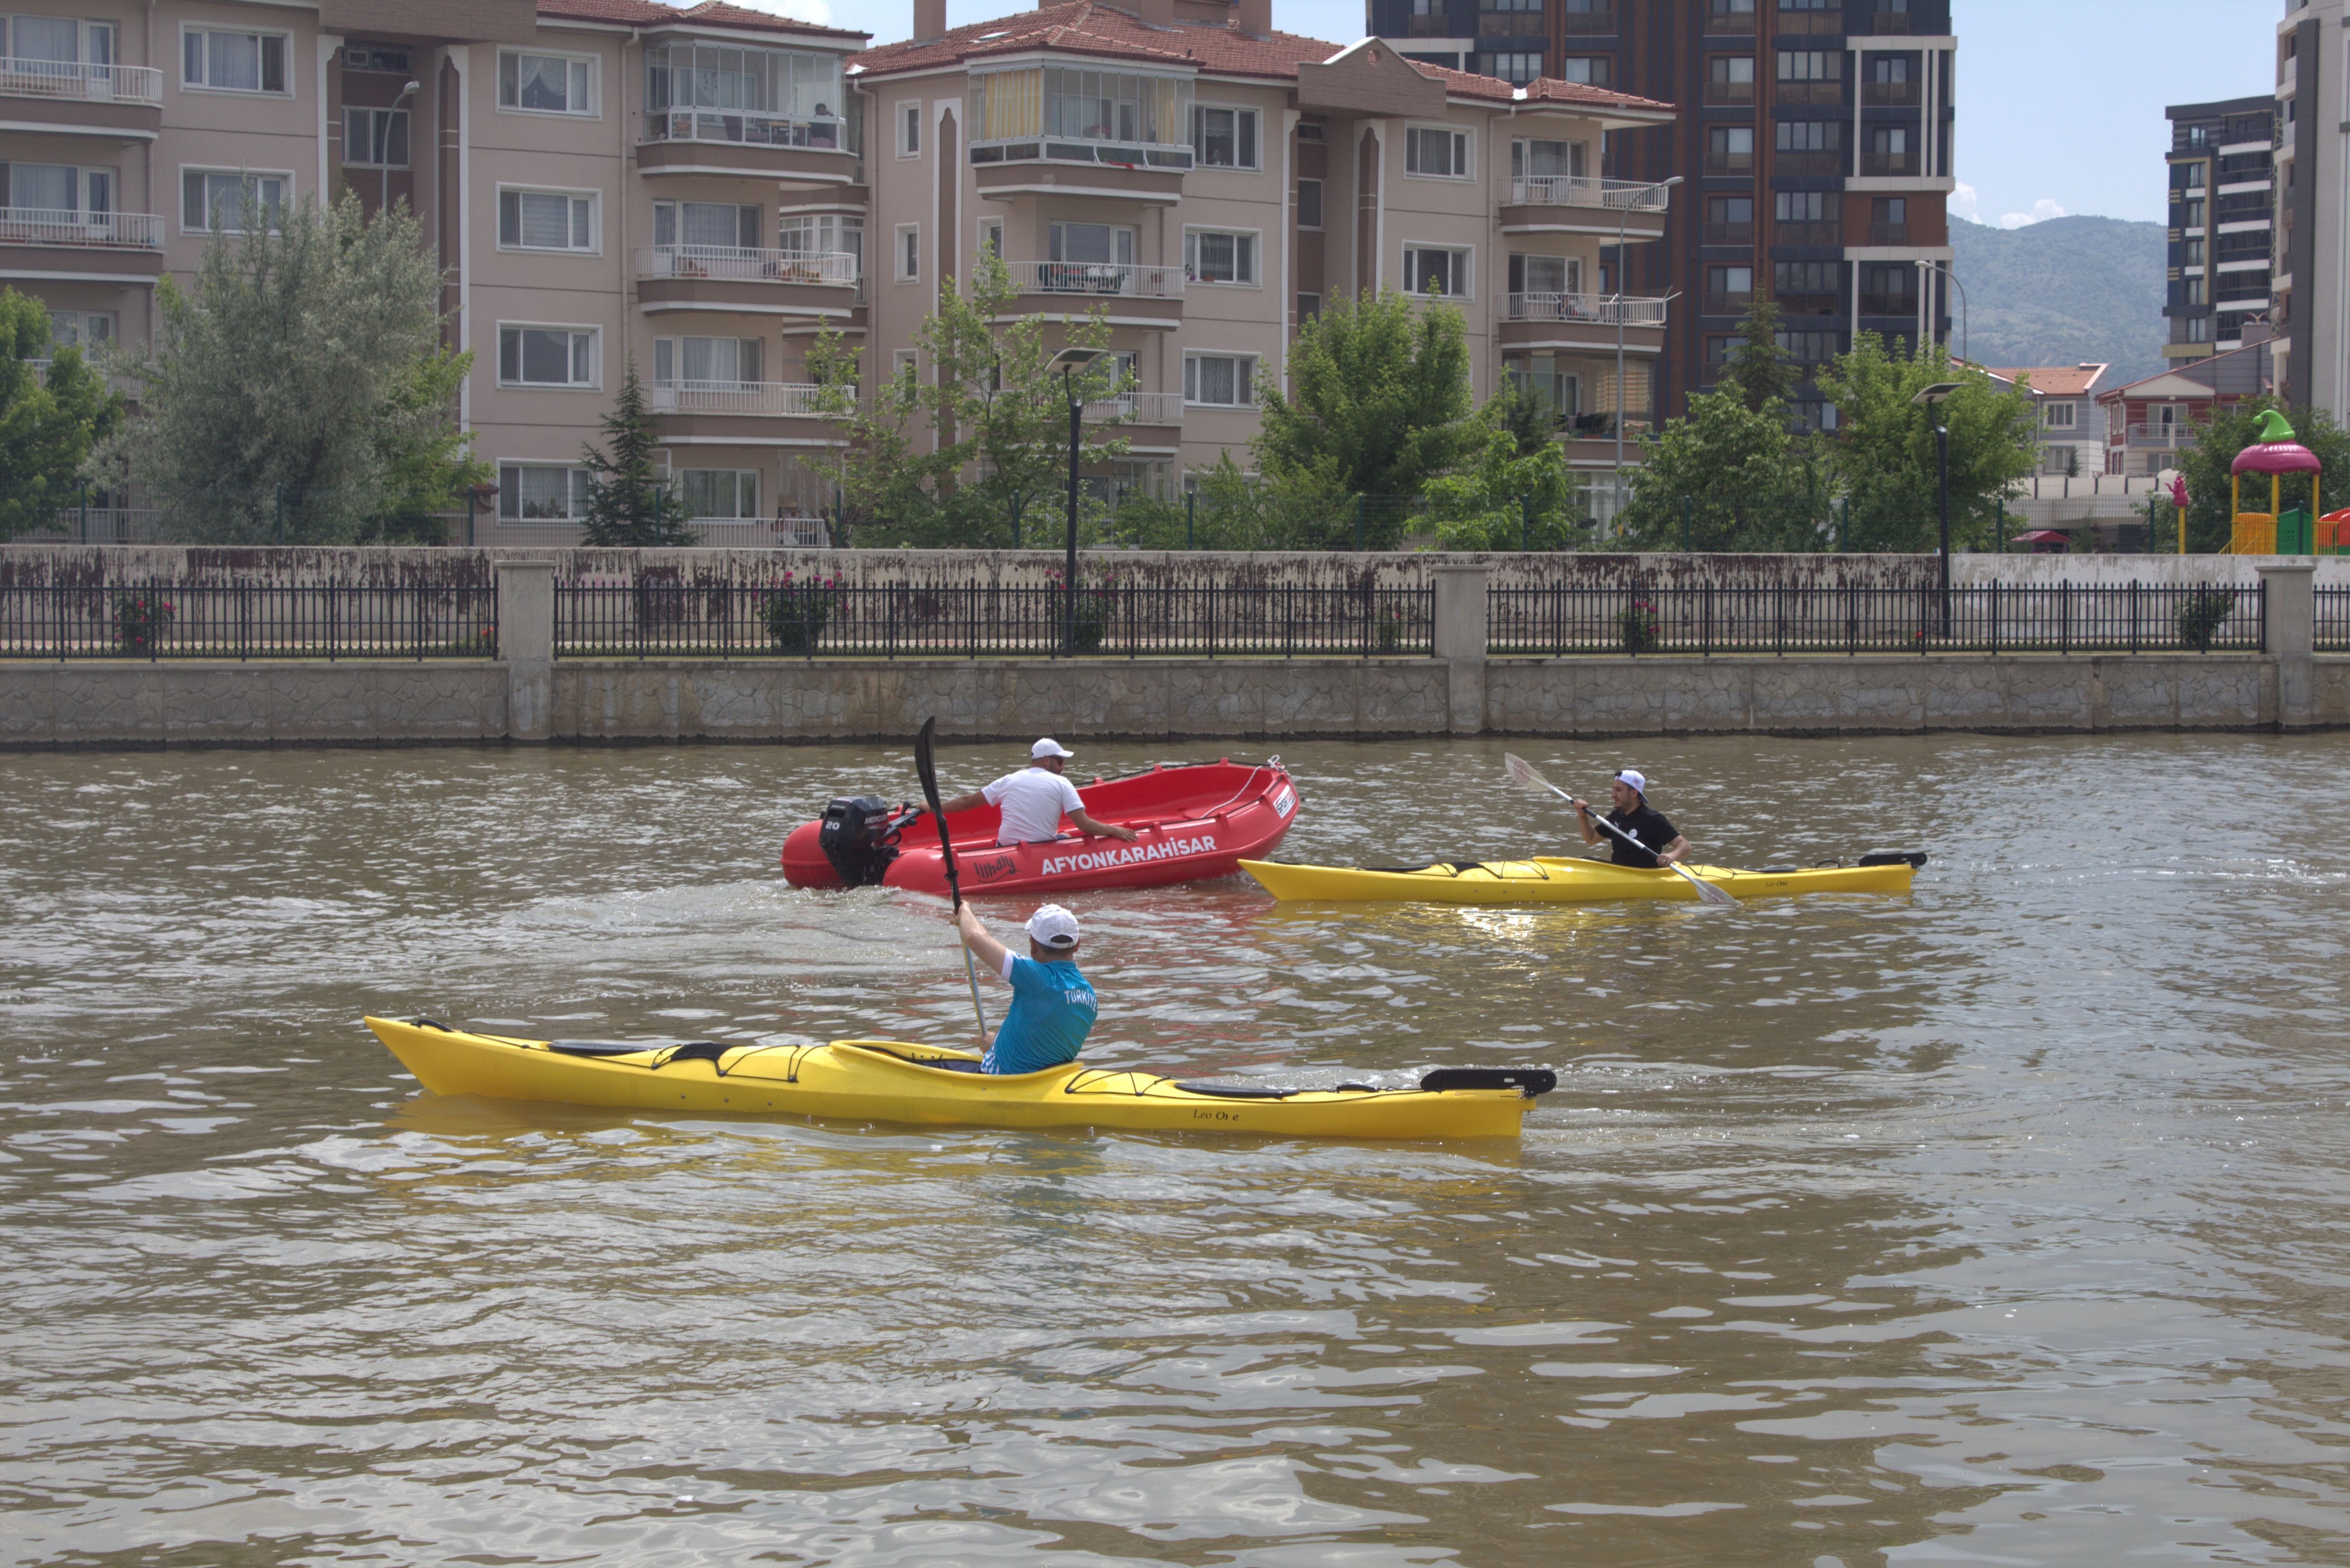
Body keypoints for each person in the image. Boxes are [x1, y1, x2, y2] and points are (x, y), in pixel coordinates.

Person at [953, 902, 1098, 1074]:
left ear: (1033, 946)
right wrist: (997, 1043)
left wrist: (965, 911)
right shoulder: (1089, 995)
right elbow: (1043, 1047)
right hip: (1042, 1080)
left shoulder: (1036, 978)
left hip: (999, 1082)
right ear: (1077, 945)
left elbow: (973, 937)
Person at [934, 738, 1140, 848]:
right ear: (1046, 760)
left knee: (1064, 834)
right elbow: (1085, 825)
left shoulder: (1008, 779)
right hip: (1040, 851)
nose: (1063, 767)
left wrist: (933, 807)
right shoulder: (1061, 783)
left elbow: (967, 801)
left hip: (1003, 849)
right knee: (1068, 836)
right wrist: (1115, 831)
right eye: (1060, 761)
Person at [1568, 768, 1691, 869]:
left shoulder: (1653, 819)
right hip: (1618, 871)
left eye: (1618, 790)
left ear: (1634, 793)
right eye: (1613, 789)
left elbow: (1685, 845)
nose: (1613, 795)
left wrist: (1672, 856)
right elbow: (1591, 839)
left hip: (1644, 875)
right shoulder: (1616, 816)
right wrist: (1582, 815)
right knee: (1585, 861)